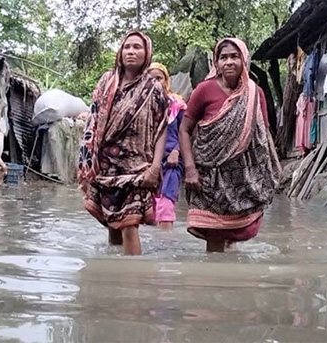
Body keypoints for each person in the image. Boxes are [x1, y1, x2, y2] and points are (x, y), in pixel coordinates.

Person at [178, 37, 282, 252]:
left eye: (234, 56)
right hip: (210, 177)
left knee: (233, 237)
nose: (229, 62)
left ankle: (232, 281)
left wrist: (266, 175)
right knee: (214, 237)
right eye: (223, 57)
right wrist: (189, 168)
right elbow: (184, 129)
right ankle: (214, 280)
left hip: (243, 179)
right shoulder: (204, 90)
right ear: (217, 62)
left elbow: (262, 136)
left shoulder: (255, 94)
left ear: (244, 59)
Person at [77, 30, 169, 255]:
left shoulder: (154, 89)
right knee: (112, 224)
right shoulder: (106, 82)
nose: (131, 52)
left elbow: (161, 128)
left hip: (137, 168)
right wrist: (87, 165)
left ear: (146, 53)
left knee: (129, 224)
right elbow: (93, 121)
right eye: (127, 47)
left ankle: (133, 281)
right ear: (120, 51)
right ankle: (114, 278)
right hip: (105, 167)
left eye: (137, 47)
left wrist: (156, 167)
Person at [147, 62, 187, 230]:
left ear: (166, 80)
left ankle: (165, 246)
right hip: (147, 160)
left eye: (159, 78)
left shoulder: (177, 104)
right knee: (149, 205)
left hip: (172, 159)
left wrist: (176, 151)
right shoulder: (141, 105)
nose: (156, 82)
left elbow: (186, 132)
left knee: (166, 202)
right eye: (151, 79)